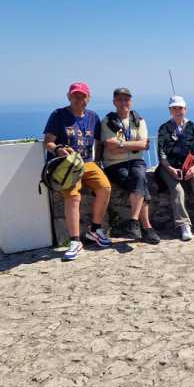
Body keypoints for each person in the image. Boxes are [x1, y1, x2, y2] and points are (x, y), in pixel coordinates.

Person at [42, 82, 112, 261]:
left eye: (82, 96)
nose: (79, 99)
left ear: (88, 98)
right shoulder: (58, 115)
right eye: (75, 95)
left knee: (105, 188)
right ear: (69, 97)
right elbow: (48, 141)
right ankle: (75, 241)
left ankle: (94, 229)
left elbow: (98, 141)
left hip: (87, 162)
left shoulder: (93, 117)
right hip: (67, 164)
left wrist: (98, 161)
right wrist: (58, 149)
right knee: (73, 197)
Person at [99, 88, 160, 244]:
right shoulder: (107, 121)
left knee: (138, 177)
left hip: (135, 161)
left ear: (131, 101)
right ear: (114, 102)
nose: (123, 103)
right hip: (114, 164)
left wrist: (120, 144)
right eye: (120, 100)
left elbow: (144, 144)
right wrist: (133, 145)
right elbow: (109, 146)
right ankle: (146, 228)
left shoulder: (138, 120)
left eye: (126, 99)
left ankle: (133, 221)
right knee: (140, 182)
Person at [157, 95, 194, 241]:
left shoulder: (193, 127)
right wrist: (170, 169)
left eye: (180, 108)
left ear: (185, 109)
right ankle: (184, 224)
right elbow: (161, 153)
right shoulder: (164, 128)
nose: (177, 111)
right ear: (170, 110)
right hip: (169, 167)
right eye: (174, 108)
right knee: (177, 190)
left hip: (191, 165)